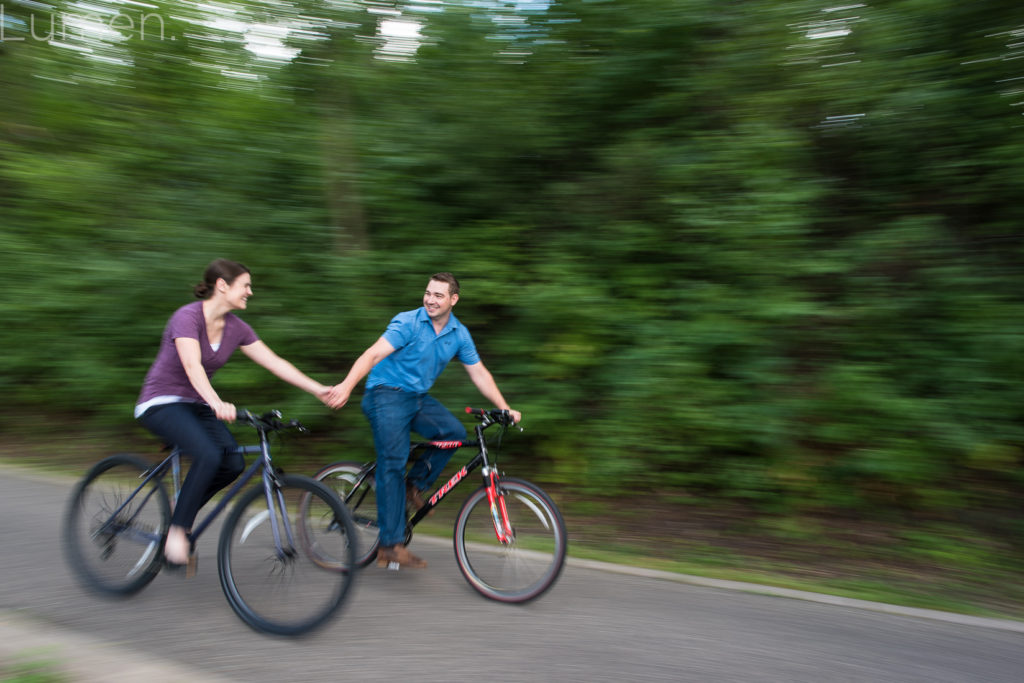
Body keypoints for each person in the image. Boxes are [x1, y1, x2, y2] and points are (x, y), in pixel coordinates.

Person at [136, 259, 330, 570]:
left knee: (232, 463)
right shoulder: (187, 317)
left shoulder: (236, 328)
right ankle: (176, 531)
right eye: (245, 285)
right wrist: (215, 401)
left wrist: (317, 389)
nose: (250, 292)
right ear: (222, 286)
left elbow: (274, 362)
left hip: (197, 405)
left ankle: (180, 508)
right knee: (209, 455)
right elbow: (191, 365)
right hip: (161, 402)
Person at [326, 272, 520, 569]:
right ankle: (390, 546)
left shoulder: (459, 334)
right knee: (393, 460)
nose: (430, 299)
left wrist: (504, 407)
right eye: (428, 293)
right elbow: (374, 354)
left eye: (438, 295)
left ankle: (412, 486)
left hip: (416, 398)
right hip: (385, 393)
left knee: (452, 432)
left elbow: (479, 373)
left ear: (453, 300)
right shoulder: (409, 322)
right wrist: (346, 385)